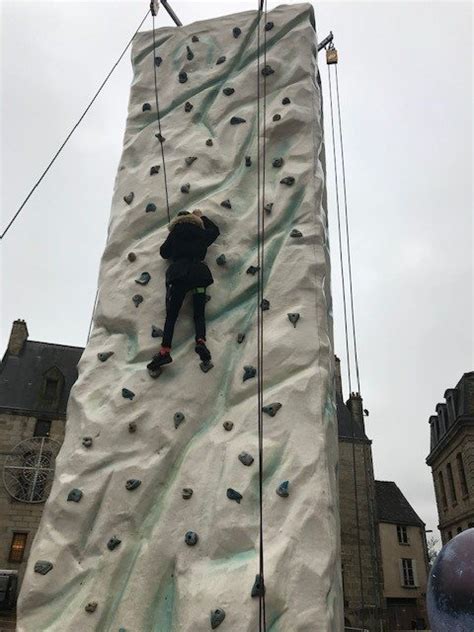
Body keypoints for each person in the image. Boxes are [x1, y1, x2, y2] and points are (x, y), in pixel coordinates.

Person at [147, 209, 220, 371]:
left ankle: (165, 351)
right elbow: (215, 231)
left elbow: (164, 253)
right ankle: (200, 341)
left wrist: (174, 239)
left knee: (172, 315)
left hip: (179, 276)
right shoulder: (201, 233)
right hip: (199, 275)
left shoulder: (175, 233)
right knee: (199, 313)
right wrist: (203, 218)